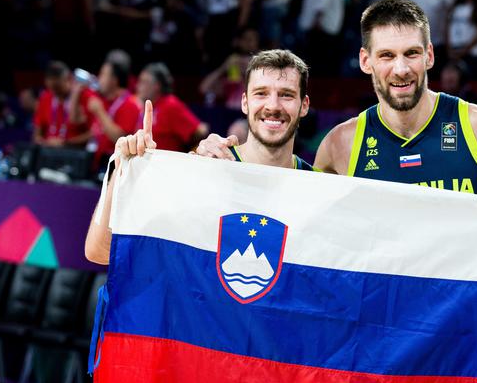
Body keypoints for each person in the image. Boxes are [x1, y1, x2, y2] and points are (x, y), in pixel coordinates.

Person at [198, 0, 477, 228]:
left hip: (466, 336)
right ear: (365, 61)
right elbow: (288, 214)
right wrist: (221, 162)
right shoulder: (341, 145)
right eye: (387, 55)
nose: (401, 69)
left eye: (412, 53)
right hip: (387, 341)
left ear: (429, 55)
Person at [85, 49, 313, 266]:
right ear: (245, 102)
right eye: (261, 93)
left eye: (286, 95)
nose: (273, 105)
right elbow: (100, 252)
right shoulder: (203, 170)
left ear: (304, 106)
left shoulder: (319, 189)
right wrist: (124, 172)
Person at [135, 62, 208, 153]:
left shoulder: (170, 104)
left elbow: (200, 130)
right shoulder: (144, 106)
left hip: (167, 164)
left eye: (144, 82)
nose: (137, 86)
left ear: (156, 86)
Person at [85, 52, 142, 169]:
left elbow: (119, 138)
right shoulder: (104, 100)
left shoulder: (130, 104)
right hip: (94, 161)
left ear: (114, 80)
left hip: (115, 166)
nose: (99, 78)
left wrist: (99, 112)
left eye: (103, 74)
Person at [32, 61, 95, 147]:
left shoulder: (86, 96)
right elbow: (37, 134)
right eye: (52, 88)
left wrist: (66, 143)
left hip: (77, 152)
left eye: (58, 88)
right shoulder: (46, 97)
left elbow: (95, 132)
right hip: (49, 151)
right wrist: (42, 142)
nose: (56, 93)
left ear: (68, 78)